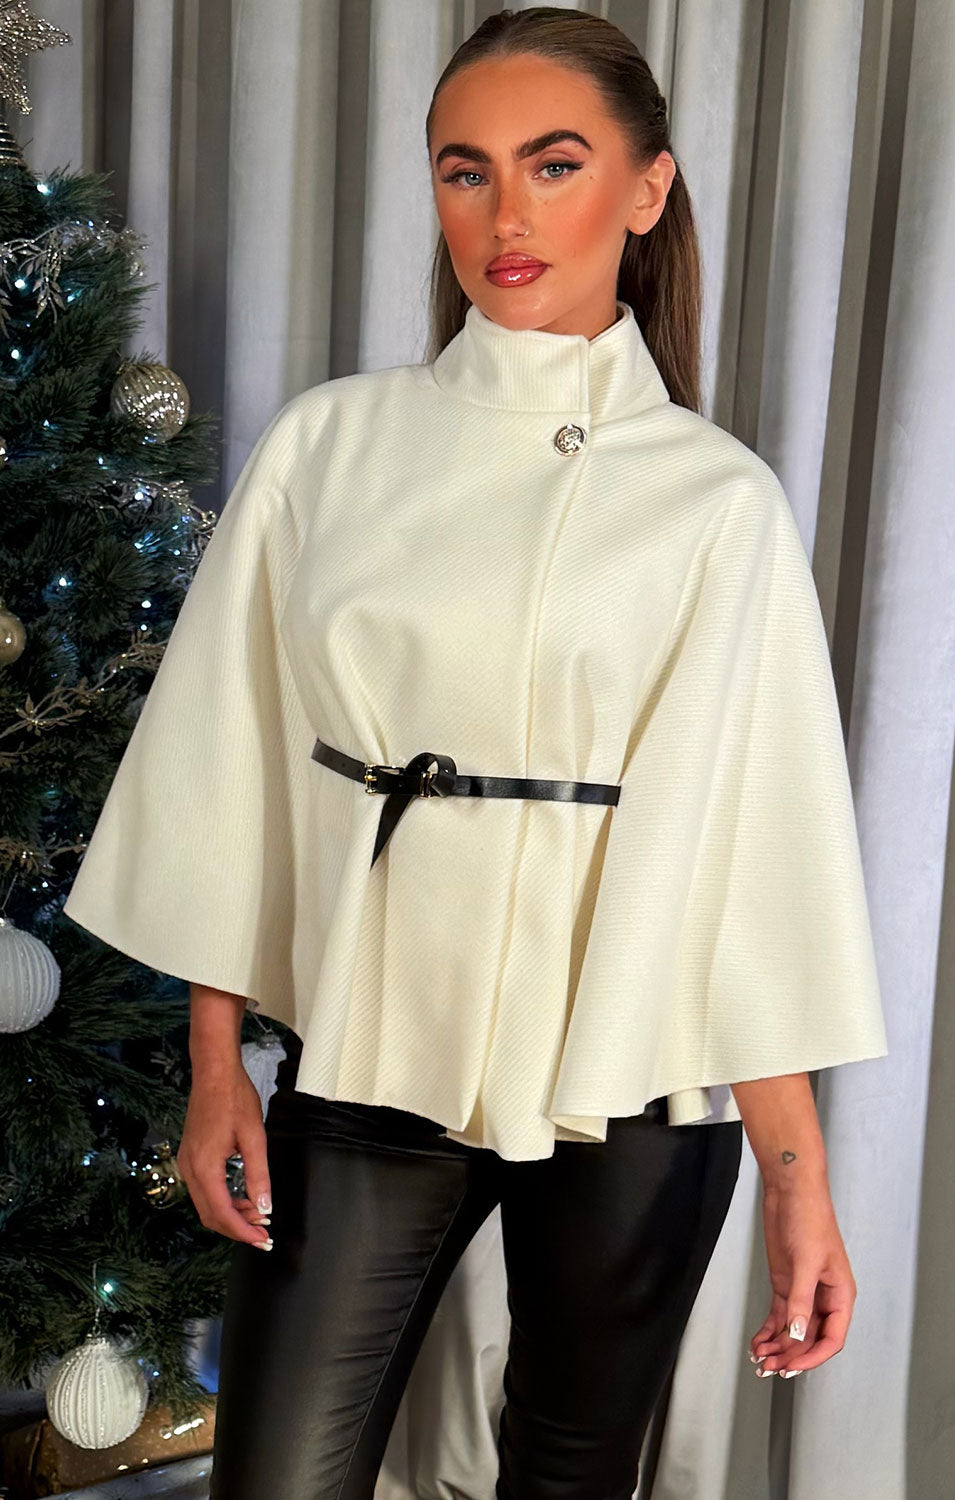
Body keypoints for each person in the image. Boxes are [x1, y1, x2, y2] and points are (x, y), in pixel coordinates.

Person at [61, 8, 889, 1498]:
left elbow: (758, 863)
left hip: (628, 1075)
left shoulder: (717, 503)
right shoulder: (330, 447)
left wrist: (799, 1183)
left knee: (573, 1481)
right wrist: (215, 1062)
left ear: (646, 189)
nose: (506, 215)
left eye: (553, 165)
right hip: (373, 1045)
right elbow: (228, 762)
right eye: (465, 170)